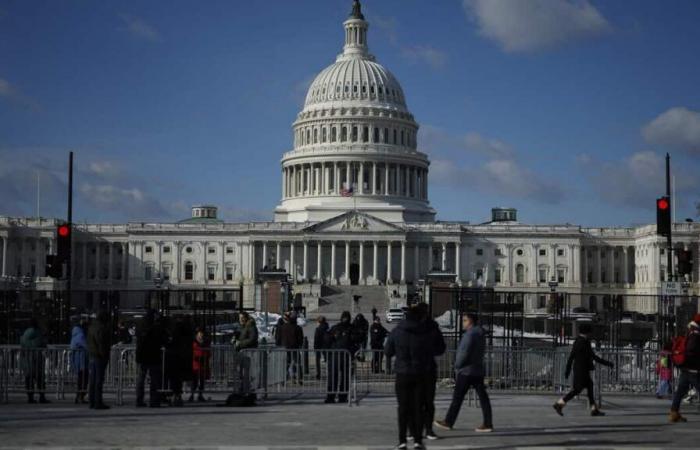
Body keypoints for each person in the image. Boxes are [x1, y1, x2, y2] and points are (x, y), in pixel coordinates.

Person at [385, 304, 445, 450]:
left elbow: (387, 351)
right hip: (421, 372)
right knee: (419, 406)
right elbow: (439, 348)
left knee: (403, 407)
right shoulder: (426, 331)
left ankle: (402, 440)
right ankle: (418, 441)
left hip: (403, 373)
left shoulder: (397, 330)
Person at [434, 312, 493, 433]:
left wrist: (456, 365)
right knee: (483, 398)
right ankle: (488, 423)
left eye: (465, 320)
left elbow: (463, 353)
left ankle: (448, 421)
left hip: (466, 371)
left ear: (470, 321)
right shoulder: (480, 334)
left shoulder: (469, 335)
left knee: (457, 398)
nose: (463, 322)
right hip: (477, 370)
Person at [552, 322, 613, 417]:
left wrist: (567, 370)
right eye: (589, 332)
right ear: (587, 332)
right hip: (582, 371)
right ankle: (559, 404)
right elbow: (593, 357)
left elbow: (571, 357)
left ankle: (594, 409)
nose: (591, 334)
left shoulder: (577, 341)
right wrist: (608, 363)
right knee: (577, 390)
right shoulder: (584, 342)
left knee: (589, 387)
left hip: (578, 369)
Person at [414, 303, 445, 441]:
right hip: (427, 368)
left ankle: (416, 430)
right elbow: (441, 348)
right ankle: (427, 430)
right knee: (427, 402)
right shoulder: (432, 327)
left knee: (417, 401)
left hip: (416, 368)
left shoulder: (412, 326)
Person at [325, 311, 361, 404]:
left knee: (340, 378)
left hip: (341, 356)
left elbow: (327, 339)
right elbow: (327, 339)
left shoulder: (339, 328)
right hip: (341, 356)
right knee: (338, 377)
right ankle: (336, 396)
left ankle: (336, 396)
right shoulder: (343, 328)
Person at [669, 314, 700, 423]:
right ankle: (674, 413)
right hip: (694, 369)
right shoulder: (695, 335)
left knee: (680, 391)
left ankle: (674, 413)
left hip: (685, 368)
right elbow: (691, 350)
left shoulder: (689, 332)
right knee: (681, 391)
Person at [136, 309, 167, 407]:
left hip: (142, 355)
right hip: (153, 355)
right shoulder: (156, 327)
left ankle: (139, 400)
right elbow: (162, 339)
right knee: (154, 379)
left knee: (141, 379)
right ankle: (154, 400)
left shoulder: (141, 326)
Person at [20, 318, 49, 404]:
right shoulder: (37, 333)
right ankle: (42, 396)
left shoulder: (25, 333)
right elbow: (42, 343)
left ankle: (30, 397)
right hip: (36, 359)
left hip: (27, 359)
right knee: (40, 378)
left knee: (29, 379)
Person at [87, 311, 111, 410]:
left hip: (92, 355)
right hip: (99, 356)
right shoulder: (101, 328)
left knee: (93, 380)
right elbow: (101, 343)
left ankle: (92, 401)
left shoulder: (92, 327)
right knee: (99, 380)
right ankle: (98, 402)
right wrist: (104, 354)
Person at [167, 317, 193, 406]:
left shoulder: (175, 336)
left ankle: (174, 396)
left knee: (174, 380)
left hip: (175, 360)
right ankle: (178, 396)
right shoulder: (188, 336)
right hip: (184, 360)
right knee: (179, 380)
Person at [279, 312, 304, 383]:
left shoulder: (283, 327)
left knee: (287, 363)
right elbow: (300, 338)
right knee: (297, 363)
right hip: (295, 347)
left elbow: (280, 337)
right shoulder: (298, 328)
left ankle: (283, 378)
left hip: (285, 347)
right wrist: (300, 345)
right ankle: (299, 378)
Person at [70, 319, 90, 404]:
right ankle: (80, 397)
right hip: (82, 361)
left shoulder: (75, 334)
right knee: (83, 380)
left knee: (80, 379)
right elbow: (86, 346)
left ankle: (79, 397)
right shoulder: (81, 335)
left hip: (78, 361)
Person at [190, 327, 211, 402]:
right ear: (197, 333)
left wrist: (205, 356)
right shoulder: (194, 341)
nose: (201, 334)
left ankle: (200, 395)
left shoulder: (206, 341)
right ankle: (192, 395)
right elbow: (194, 351)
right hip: (196, 364)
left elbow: (208, 352)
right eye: (200, 332)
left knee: (202, 381)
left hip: (203, 364)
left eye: (202, 333)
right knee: (194, 380)